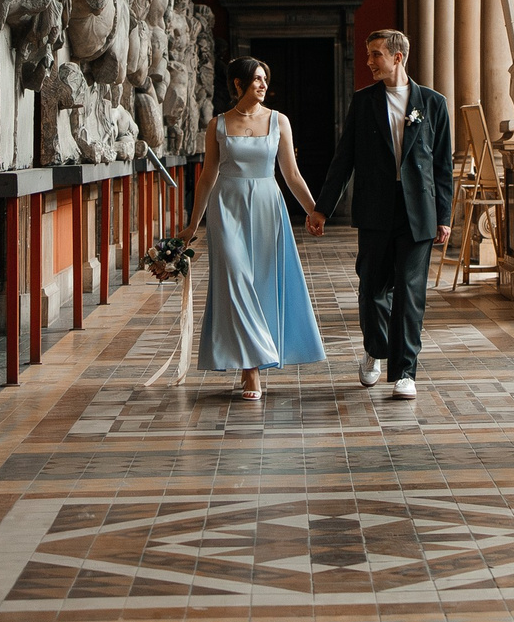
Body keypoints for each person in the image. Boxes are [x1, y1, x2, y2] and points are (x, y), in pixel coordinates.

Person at [308, 29, 453, 400]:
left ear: (397, 57)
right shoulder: (364, 102)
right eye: (368, 54)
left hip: (418, 213)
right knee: (373, 288)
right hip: (374, 211)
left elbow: (441, 166)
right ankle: (375, 351)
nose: (369, 61)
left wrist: (444, 216)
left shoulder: (434, 104)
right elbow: (344, 160)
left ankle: (405, 371)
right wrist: (322, 208)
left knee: (409, 291)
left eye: (375, 54)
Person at [186, 56, 325, 399]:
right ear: (237, 84)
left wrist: (314, 211)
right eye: (256, 79)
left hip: (267, 207)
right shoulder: (217, 124)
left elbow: (291, 174)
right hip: (226, 207)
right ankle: (251, 371)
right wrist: (191, 225)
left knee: (261, 283)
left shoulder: (279, 121)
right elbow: (207, 177)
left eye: (265, 79)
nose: (263, 85)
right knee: (236, 280)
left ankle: (254, 358)